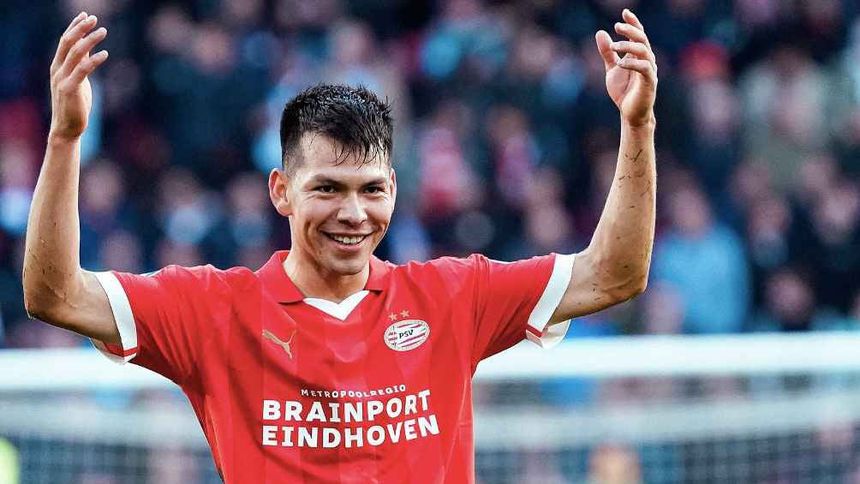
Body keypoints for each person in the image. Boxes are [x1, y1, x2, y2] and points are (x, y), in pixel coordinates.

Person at [22, 9, 657, 483]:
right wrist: (65, 138)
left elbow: (614, 275)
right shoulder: (214, 310)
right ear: (281, 191)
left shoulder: (452, 295)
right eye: (327, 188)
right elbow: (54, 295)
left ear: (394, 190)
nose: (353, 213)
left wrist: (638, 124)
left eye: (371, 189)